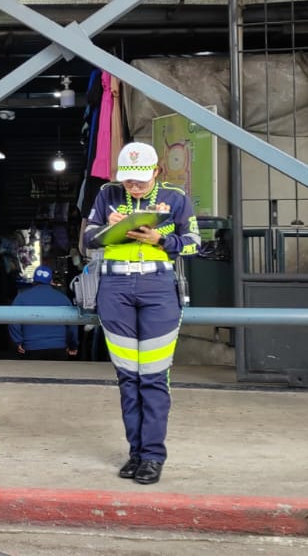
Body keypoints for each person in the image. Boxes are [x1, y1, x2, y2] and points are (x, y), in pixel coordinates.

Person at [81, 142, 200, 486]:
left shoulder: (175, 197)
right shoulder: (107, 195)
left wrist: (159, 241)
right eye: (128, 180)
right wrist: (108, 229)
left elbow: (194, 241)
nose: (133, 187)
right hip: (115, 289)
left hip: (158, 288)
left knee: (152, 376)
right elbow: (87, 238)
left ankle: (153, 456)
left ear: (156, 172)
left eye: (140, 181)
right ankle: (136, 453)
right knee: (128, 378)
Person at [8, 265, 80, 360]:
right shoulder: (63, 299)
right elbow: (72, 326)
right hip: (58, 348)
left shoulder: (21, 298)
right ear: (51, 281)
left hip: (31, 348)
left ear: (34, 280)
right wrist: (73, 345)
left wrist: (18, 342)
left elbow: (13, 321)